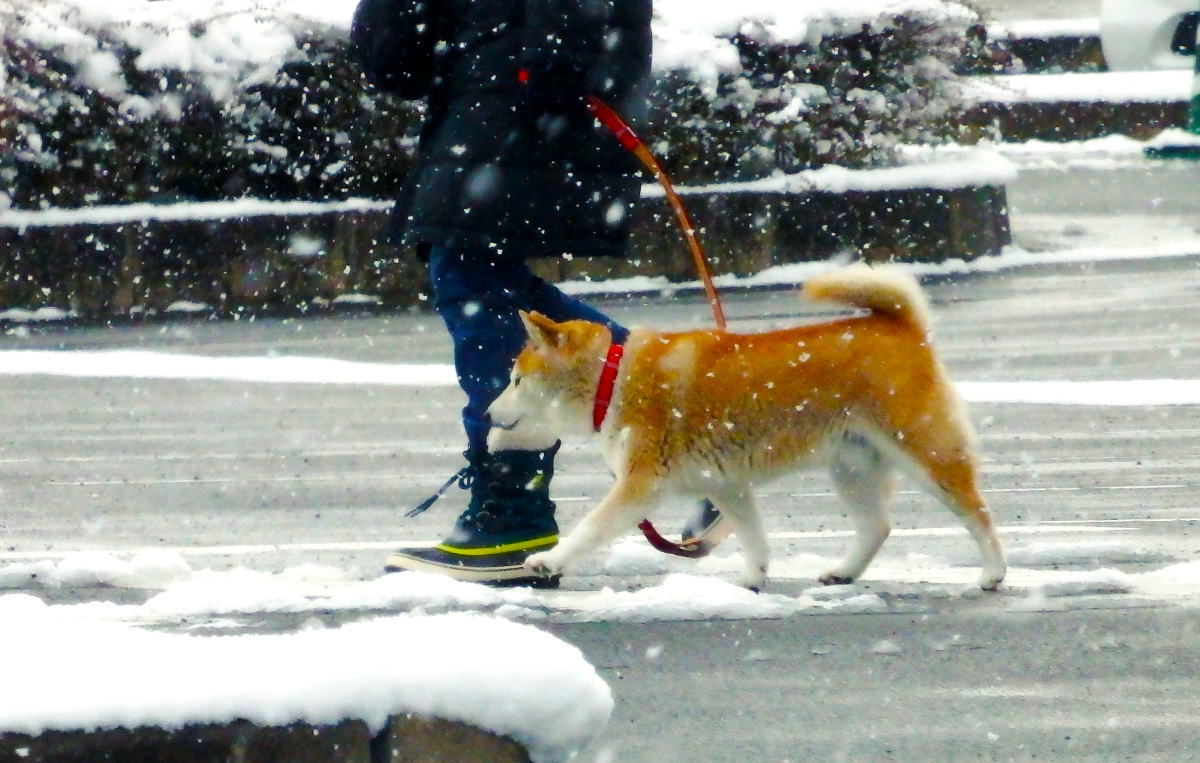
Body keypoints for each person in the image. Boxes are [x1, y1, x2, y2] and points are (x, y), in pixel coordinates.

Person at [352, 0, 718, 585]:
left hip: (522, 109)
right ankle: (702, 412)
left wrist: (546, 72)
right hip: (502, 104)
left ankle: (514, 506)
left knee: (476, 281)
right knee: (490, 285)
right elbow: (396, 63)